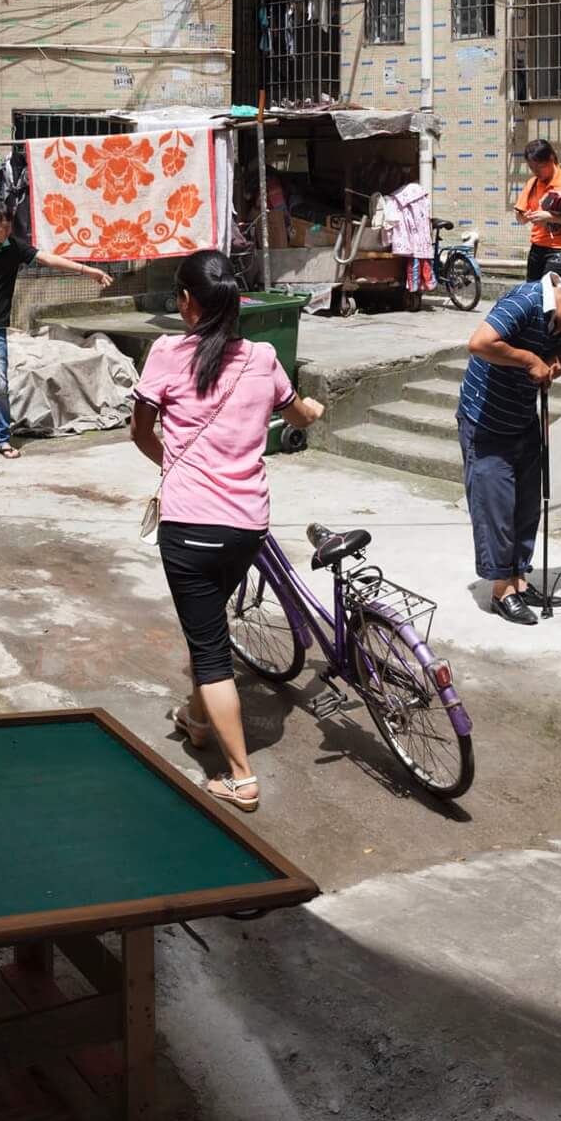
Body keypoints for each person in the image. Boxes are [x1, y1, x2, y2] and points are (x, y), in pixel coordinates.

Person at [133, 249, 324, 813]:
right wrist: (309, 411)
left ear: (186, 302)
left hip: (188, 527)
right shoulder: (263, 358)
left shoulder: (166, 353)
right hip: (246, 525)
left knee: (211, 652)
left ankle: (240, 776)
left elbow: (142, 432)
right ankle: (196, 718)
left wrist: (174, 467)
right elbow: (296, 414)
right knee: (208, 628)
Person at [458, 271, 561, 625]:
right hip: (486, 420)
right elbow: (480, 343)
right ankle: (502, 590)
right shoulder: (525, 301)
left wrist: (559, 360)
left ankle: (518, 577)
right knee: (497, 504)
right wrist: (530, 360)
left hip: (523, 416)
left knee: (527, 503)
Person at [0, 201, 110, 461]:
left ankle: (3, 438)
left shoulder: (13, 248)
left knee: (0, 385)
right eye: (4, 226)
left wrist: (87, 269)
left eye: (9, 225)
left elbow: (47, 259)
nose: (9, 230)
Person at [511, 138, 561, 283]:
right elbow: (520, 216)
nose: (536, 172)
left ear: (551, 158)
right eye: (531, 168)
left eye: (539, 167)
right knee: (533, 295)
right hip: (537, 248)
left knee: (549, 294)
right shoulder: (532, 183)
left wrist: (549, 216)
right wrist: (525, 217)